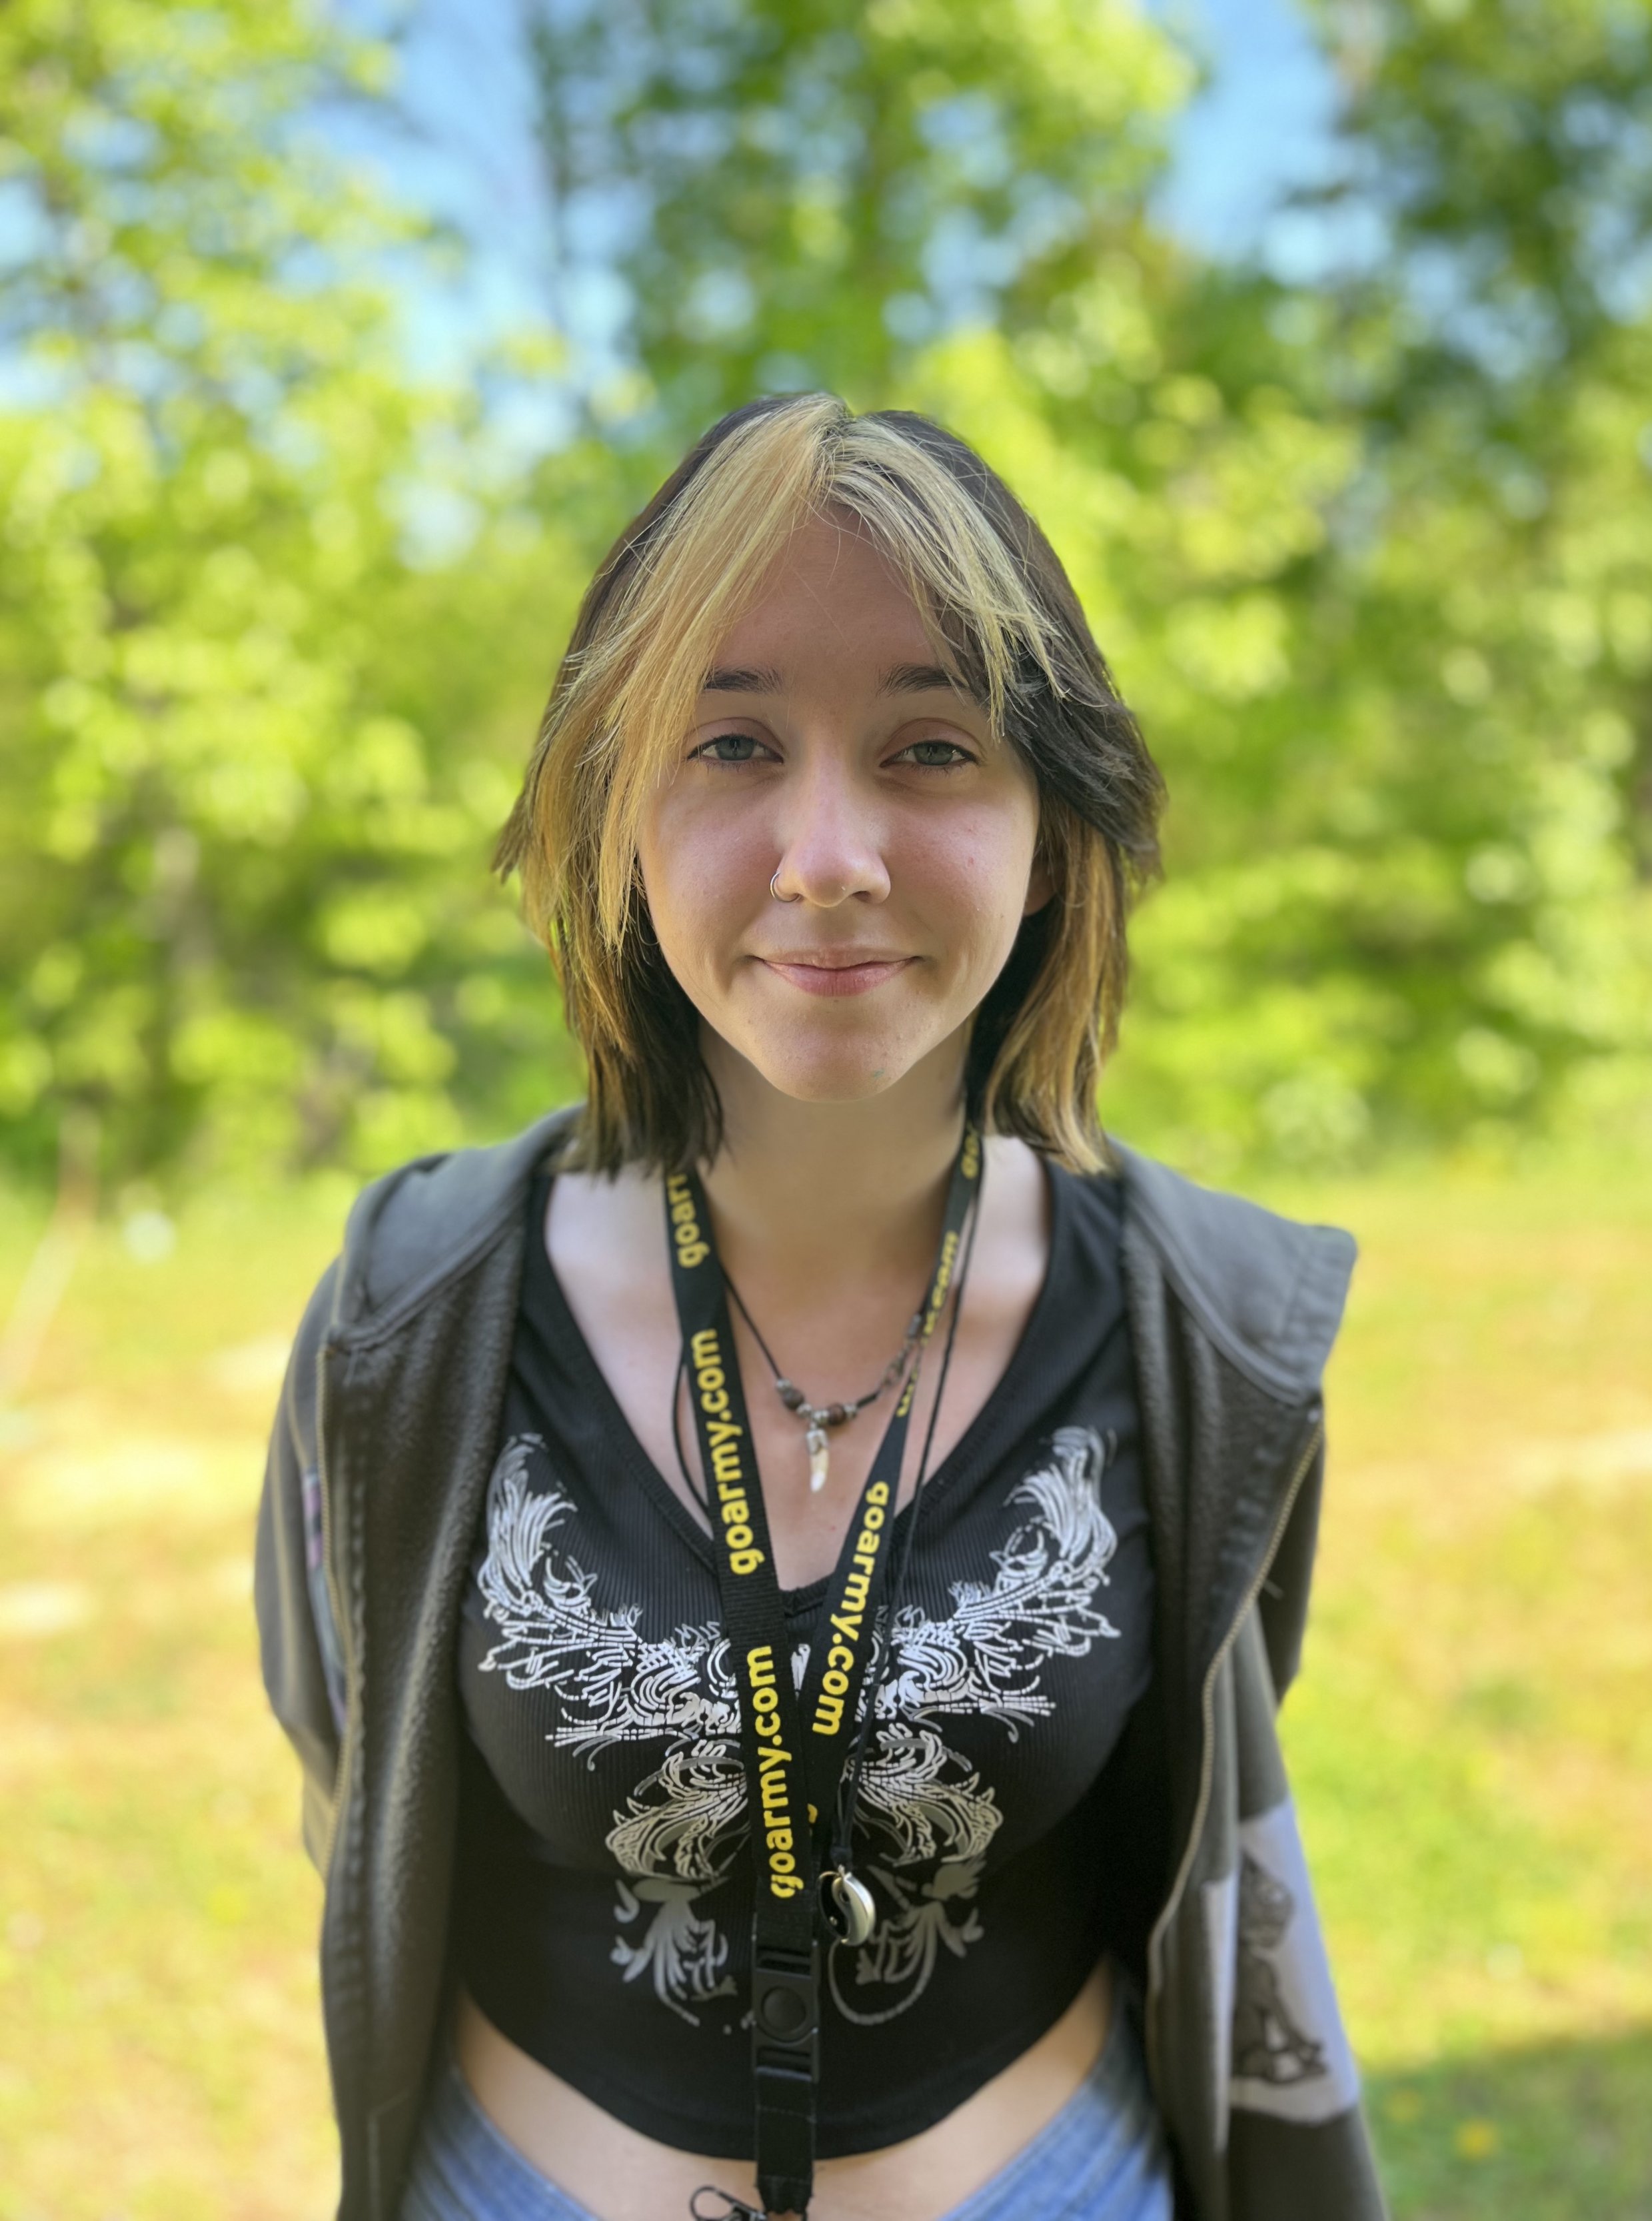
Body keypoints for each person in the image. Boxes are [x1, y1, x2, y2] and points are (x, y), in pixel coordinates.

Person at [257, 394, 1387, 2221]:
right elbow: (345, 1761)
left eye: (932, 746)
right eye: (730, 742)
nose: (830, 853)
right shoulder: (411, 1316)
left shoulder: (1204, 1333)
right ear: (614, 815)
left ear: (1052, 828)